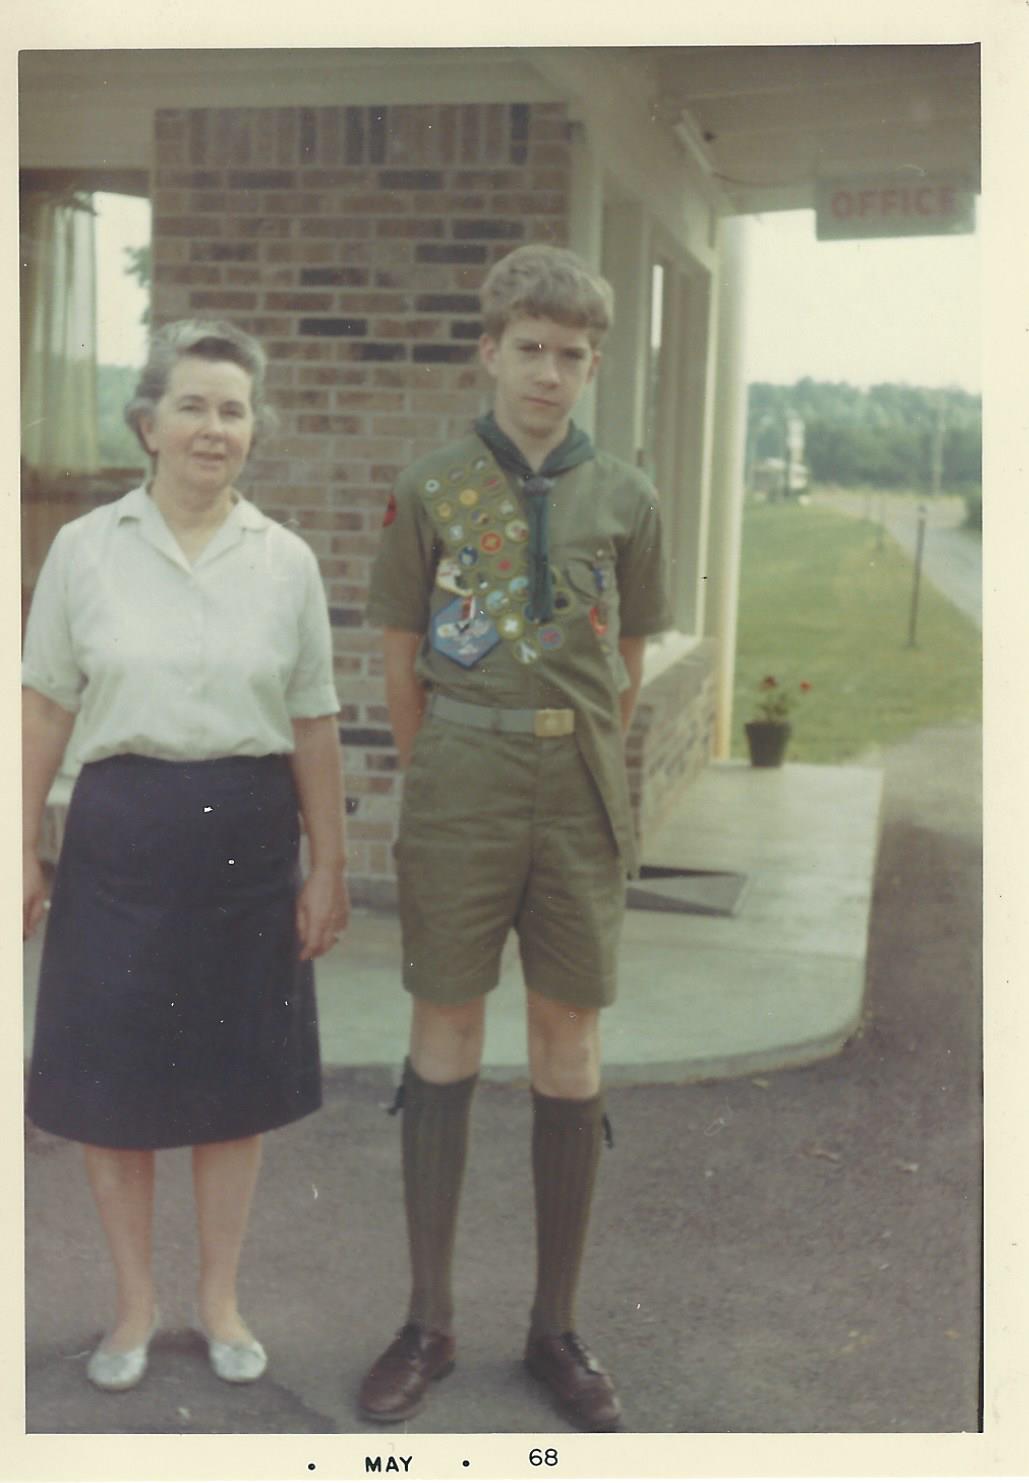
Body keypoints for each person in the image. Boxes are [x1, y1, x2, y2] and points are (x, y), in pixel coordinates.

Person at [361, 244, 671, 1431]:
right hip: (462, 775)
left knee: (568, 1034)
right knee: (445, 1022)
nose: (549, 373)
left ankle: (556, 1328)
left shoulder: (628, 495)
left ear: (594, 367)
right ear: (489, 351)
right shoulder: (433, 486)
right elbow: (401, 656)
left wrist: (566, 747)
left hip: (576, 786)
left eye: (572, 356)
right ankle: (426, 1322)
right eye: (530, 349)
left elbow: (625, 660)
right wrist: (444, 764)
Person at [22, 320, 349, 1392]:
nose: (214, 428)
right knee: (112, 1082)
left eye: (233, 410)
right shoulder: (85, 550)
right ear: (148, 424)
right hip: (121, 830)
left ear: (254, 431)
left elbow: (312, 722)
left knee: (233, 1083)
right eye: (194, 405)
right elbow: (42, 708)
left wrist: (329, 864)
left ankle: (218, 1300)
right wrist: (18, 847)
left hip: (247, 837)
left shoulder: (285, 560)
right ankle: (132, 1305)